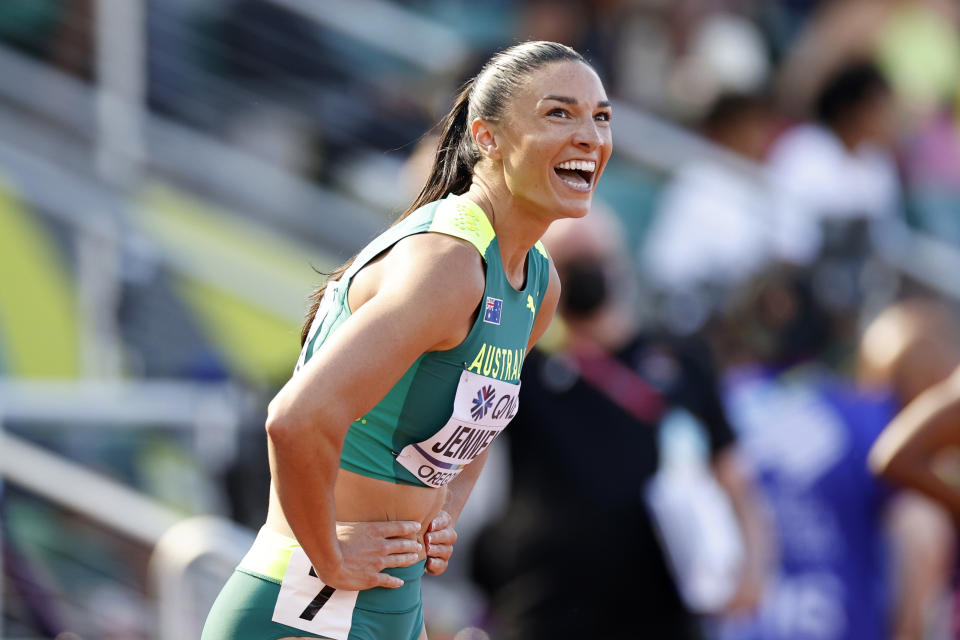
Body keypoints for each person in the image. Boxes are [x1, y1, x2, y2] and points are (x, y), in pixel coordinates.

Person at [201, 40, 613, 640]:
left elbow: (476, 426)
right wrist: (330, 557)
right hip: (302, 607)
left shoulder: (538, 281)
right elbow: (293, 420)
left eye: (600, 117)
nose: (589, 136)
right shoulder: (449, 261)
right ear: (488, 137)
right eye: (559, 113)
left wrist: (443, 510)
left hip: (395, 603)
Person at [473, 208, 768, 640]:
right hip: (546, 606)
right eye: (568, 261)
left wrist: (754, 569)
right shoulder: (522, 363)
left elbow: (735, 479)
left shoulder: (681, 361)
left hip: (663, 608)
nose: (586, 270)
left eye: (594, 255)